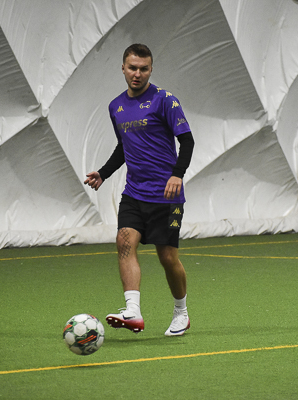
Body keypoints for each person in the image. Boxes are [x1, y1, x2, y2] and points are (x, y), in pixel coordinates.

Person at [84, 43, 195, 337]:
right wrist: (103, 173)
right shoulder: (116, 107)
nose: (137, 74)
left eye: (143, 69)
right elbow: (124, 147)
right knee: (124, 242)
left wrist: (177, 175)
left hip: (167, 196)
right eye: (132, 68)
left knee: (167, 258)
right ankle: (133, 310)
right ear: (123, 68)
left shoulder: (165, 100)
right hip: (134, 193)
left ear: (151, 70)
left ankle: (181, 312)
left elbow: (187, 141)